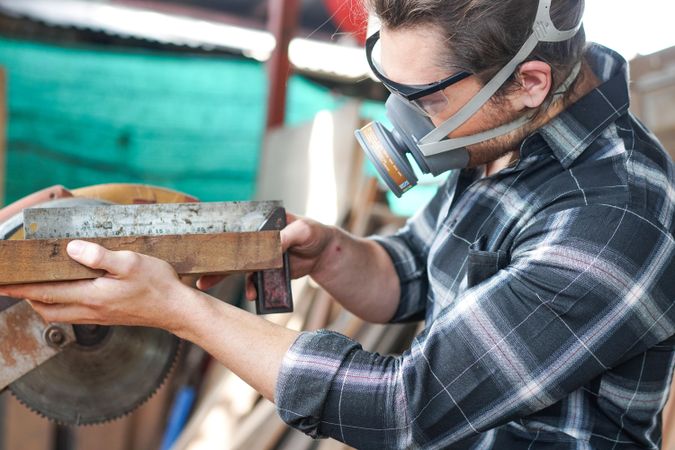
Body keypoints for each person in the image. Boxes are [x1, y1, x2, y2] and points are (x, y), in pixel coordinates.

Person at [3, 0, 675, 448]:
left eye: (425, 98)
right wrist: (331, 252)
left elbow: (408, 408)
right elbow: (412, 271)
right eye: (387, 81)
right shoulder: (510, 134)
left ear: (527, 81)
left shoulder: (612, 221)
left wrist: (178, 311)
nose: (400, 119)